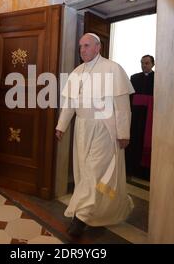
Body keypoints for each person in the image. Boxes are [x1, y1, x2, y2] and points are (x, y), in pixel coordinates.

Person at [55, 33, 134, 237]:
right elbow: (70, 104)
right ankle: (94, 210)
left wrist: (124, 133)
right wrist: (61, 126)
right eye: (80, 46)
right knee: (84, 172)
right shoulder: (77, 71)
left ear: (98, 47)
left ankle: (79, 219)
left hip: (105, 128)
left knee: (93, 172)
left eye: (87, 45)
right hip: (82, 127)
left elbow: (123, 107)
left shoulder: (113, 68)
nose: (82, 50)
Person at [125, 55, 155, 181]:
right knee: (134, 141)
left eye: (147, 63)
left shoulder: (158, 78)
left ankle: (145, 174)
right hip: (136, 116)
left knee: (147, 141)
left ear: (153, 64)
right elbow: (130, 97)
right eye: (142, 63)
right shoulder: (134, 77)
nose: (144, 65)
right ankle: (130, 170)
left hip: (150, 116)